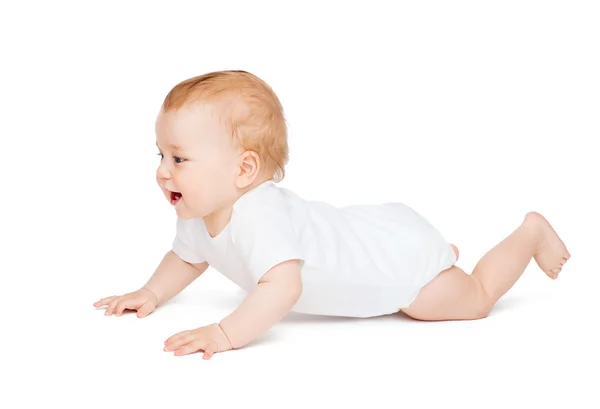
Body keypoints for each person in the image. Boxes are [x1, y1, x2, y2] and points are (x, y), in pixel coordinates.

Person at [93, 70, 570, 360]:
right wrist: (151, 292)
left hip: (396, 270)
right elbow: (187, 257)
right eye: (159, 155)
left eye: (179, 159)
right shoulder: (199, 212)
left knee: (471, 301)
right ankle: (439, 251)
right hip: (369, 233)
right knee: (388, 248)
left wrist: (224, 333)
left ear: (244, 169)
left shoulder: (260, 216)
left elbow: (284, 287)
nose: (161, 172)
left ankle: (527, 235)